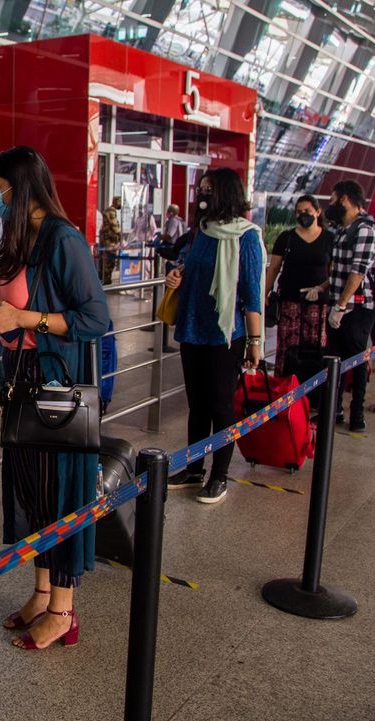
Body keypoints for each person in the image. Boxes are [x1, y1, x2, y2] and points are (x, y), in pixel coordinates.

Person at [0, 146, 110, 650]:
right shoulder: (22, 237)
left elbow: (96, 319)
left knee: (59, 495)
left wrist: (24, 320)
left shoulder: (62, 239)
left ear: (20, 187)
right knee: (33, 491)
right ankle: (40, 591)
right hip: (24, 376)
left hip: (56, 383)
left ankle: (63, 610)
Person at [164, 168, 264, 502]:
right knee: (197, 406)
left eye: (209, 190)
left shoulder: (247, 236)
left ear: (226, 193)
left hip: (226, 336)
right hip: (192, 330)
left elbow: (252, 294)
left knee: (221, 407)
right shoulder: (200, 232)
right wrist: (175, 276)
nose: (202, 195)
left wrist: (255, 342)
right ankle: (194, 469)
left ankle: (219, 476)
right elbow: (183, 265)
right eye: (201, 189)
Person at [323, 180, 375, 433]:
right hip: (339, 303)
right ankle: (333, 410)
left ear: (345, 199)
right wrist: (323, 289)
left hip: (357, 308)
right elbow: (339, 270)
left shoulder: (365, 229)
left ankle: (357, 413)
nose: (331, 204)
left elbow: (358, 272)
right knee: (333, 358)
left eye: (333, 199)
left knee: (356, 359)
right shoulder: (343, 229)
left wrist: (342, 305)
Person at [264, 195, 333, 379]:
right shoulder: (286, 238)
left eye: (307, 211)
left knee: (315, 347)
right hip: (290, 301)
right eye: (299, 212)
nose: (303, 215)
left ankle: (312, 389)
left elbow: (334, 272)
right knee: (287, 346)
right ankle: (284, 385)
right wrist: (265, 293)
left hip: (318, 305)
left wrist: (321, 288)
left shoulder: (329, 239)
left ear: (318, 212)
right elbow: (274, 268)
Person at [98, 196, 123, 285]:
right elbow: (115, 227)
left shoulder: (109, 210)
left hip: (107, 240)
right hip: (109, 241)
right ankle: (106, 282)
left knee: (106, 262)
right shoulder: (111, 211)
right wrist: (121, 236)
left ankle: (105, 280)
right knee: (108, 262)